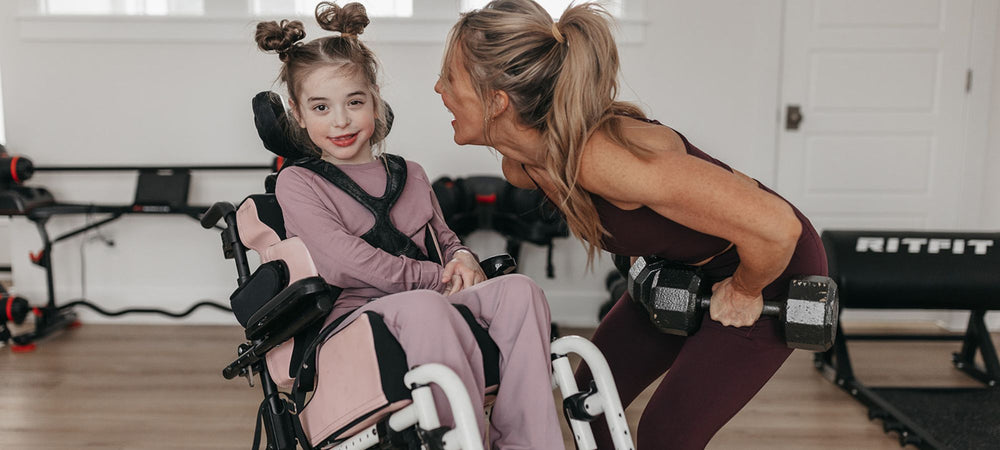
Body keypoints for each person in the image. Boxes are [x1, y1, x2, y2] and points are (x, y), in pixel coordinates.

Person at [434, 1, 828, 448]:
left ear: (497, 101)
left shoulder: (599, 160)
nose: (438, 88)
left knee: (667, 434)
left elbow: (776, 226)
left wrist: (744, 290)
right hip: (683, 266)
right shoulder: (524, 167)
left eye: (450, 78)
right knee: (591, 403)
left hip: (769, 267)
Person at [255, 3, 564, 448]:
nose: (340, 120)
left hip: (430, 297)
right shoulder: (299, 182)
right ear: (299, 114)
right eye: (321, 107)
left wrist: (461, 258)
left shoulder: (410, 173)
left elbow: (443, 239)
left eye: (354, 102)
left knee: (521, 291)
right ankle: (460, 441)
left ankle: (526, 442)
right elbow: (343, 264)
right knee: (426, 305)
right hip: (354, 317)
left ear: (375, 101)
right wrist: (438, 276)